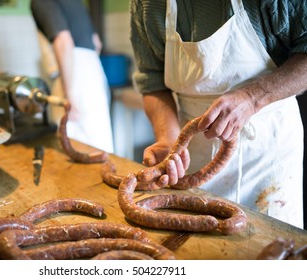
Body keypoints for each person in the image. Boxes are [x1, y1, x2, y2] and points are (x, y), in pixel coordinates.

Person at [130, 0, 307, 228]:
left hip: (266, 148)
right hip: (192, 153)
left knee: (270, 247)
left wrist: (253, 98)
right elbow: (152, 81)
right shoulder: (146, 4)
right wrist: (168, 139)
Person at [30, 0, 114, 153]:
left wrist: (68, 94)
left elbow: (63, 40)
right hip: (92, 70)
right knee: (100, 142)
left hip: (73, 73)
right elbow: (97, 43)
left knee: (74, 146)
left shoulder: (39, 2)